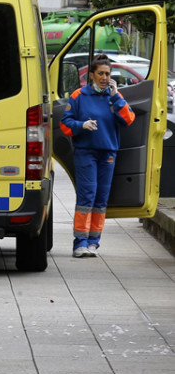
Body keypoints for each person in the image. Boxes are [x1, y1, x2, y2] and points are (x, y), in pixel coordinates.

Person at [61, 54, 135, 258]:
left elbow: (129, 119)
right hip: (86, 153)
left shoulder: (113, 97)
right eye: (100, 73)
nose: (104, 77)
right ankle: (80, 243)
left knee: (101, 199)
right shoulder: (79, 96)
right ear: (91, 75)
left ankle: (94, 242)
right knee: (87, 196)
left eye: (108, 74)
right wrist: (81, 125)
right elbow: (64, 124)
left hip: (108, 153)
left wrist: (116, 96)